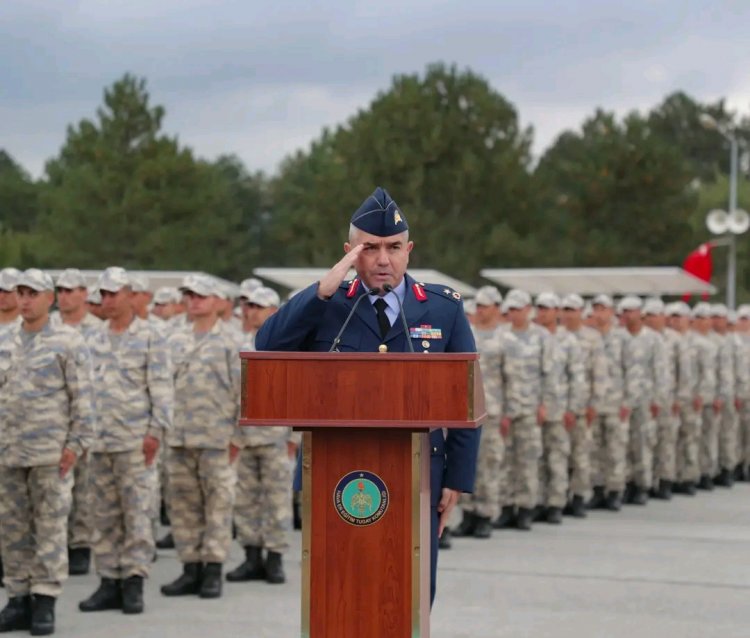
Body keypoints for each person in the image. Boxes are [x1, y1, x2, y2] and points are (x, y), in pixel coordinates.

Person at [253, 187, 480, 604]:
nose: (382, 259)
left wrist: (456, 478)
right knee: (338, 591)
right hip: (333, 473)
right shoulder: (326, 302)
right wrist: (321, 291)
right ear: (349, 252)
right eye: (369, 248)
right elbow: (266, 347)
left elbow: (465, 397)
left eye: (393, 247)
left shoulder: (442, 309)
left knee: (409, 592)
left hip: (418, 474)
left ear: (408, 249)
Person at [0, 269, 95, 635]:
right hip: (9, 453)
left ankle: (45, 600)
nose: (24, 299)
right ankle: (18, 597)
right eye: (19, 292)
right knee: (12, 530)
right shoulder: (5, 340)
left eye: (32, 293)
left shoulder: (67, 341)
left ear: (49, 298)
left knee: (51, 529)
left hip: (50, 454)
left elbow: (83, 399)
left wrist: (75, 445)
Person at [79, 267, 173, 615]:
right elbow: (84, 390)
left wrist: (155, 433)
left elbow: (162, 389)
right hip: (100, 441)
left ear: (131, 295)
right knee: (102, 515)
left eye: (113, 293)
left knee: (137, 514)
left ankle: (133, 581)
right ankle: (108, 580)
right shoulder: (93, 337)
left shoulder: (150, 336)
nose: (107, 300)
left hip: (136, 442)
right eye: (102, 294)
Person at [160, 275, 241, 599]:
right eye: (189, 296)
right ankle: (190, 567)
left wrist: (237, 436)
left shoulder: (230, 341)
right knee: (183, 506)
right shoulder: (173, 338)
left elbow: (242, 392)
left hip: (216, 437)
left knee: (218, 505)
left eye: (201, 296)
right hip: (179, 437)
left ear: (218, 302)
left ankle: (213, 569)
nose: (194, 301)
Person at [228, 286, 292, 585]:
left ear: (273, 312)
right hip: (243, 436)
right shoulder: (236, 344)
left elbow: (298, 395)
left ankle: (275, 557)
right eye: (248, 305)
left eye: (258, 306)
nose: (250, 310)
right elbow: (230, 393)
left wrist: (295, 439)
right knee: (245, 500)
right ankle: (251, 556)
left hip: (275, 437)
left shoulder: (286, 346)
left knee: (276, 499)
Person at [55, 268, 103, 576]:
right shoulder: (48, 329)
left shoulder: (98, 330)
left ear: (84, 294)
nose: (64, 295)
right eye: (60, 290)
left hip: (92, 419)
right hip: (54, 421)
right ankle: (57, 545)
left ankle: (81, 544)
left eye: (71, 290)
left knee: (85, 487)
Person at [454, 286, 504, 539]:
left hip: (493, 410)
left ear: (496, 307)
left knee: (490, 463)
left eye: (485, 305)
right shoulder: (468, 332)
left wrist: (510, 412)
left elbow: (512, 378)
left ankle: (486, 514)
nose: (480, 310)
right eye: (478, 306)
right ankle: (469, 513)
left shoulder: (505, 338)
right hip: (469, 410)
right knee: (469, 461)